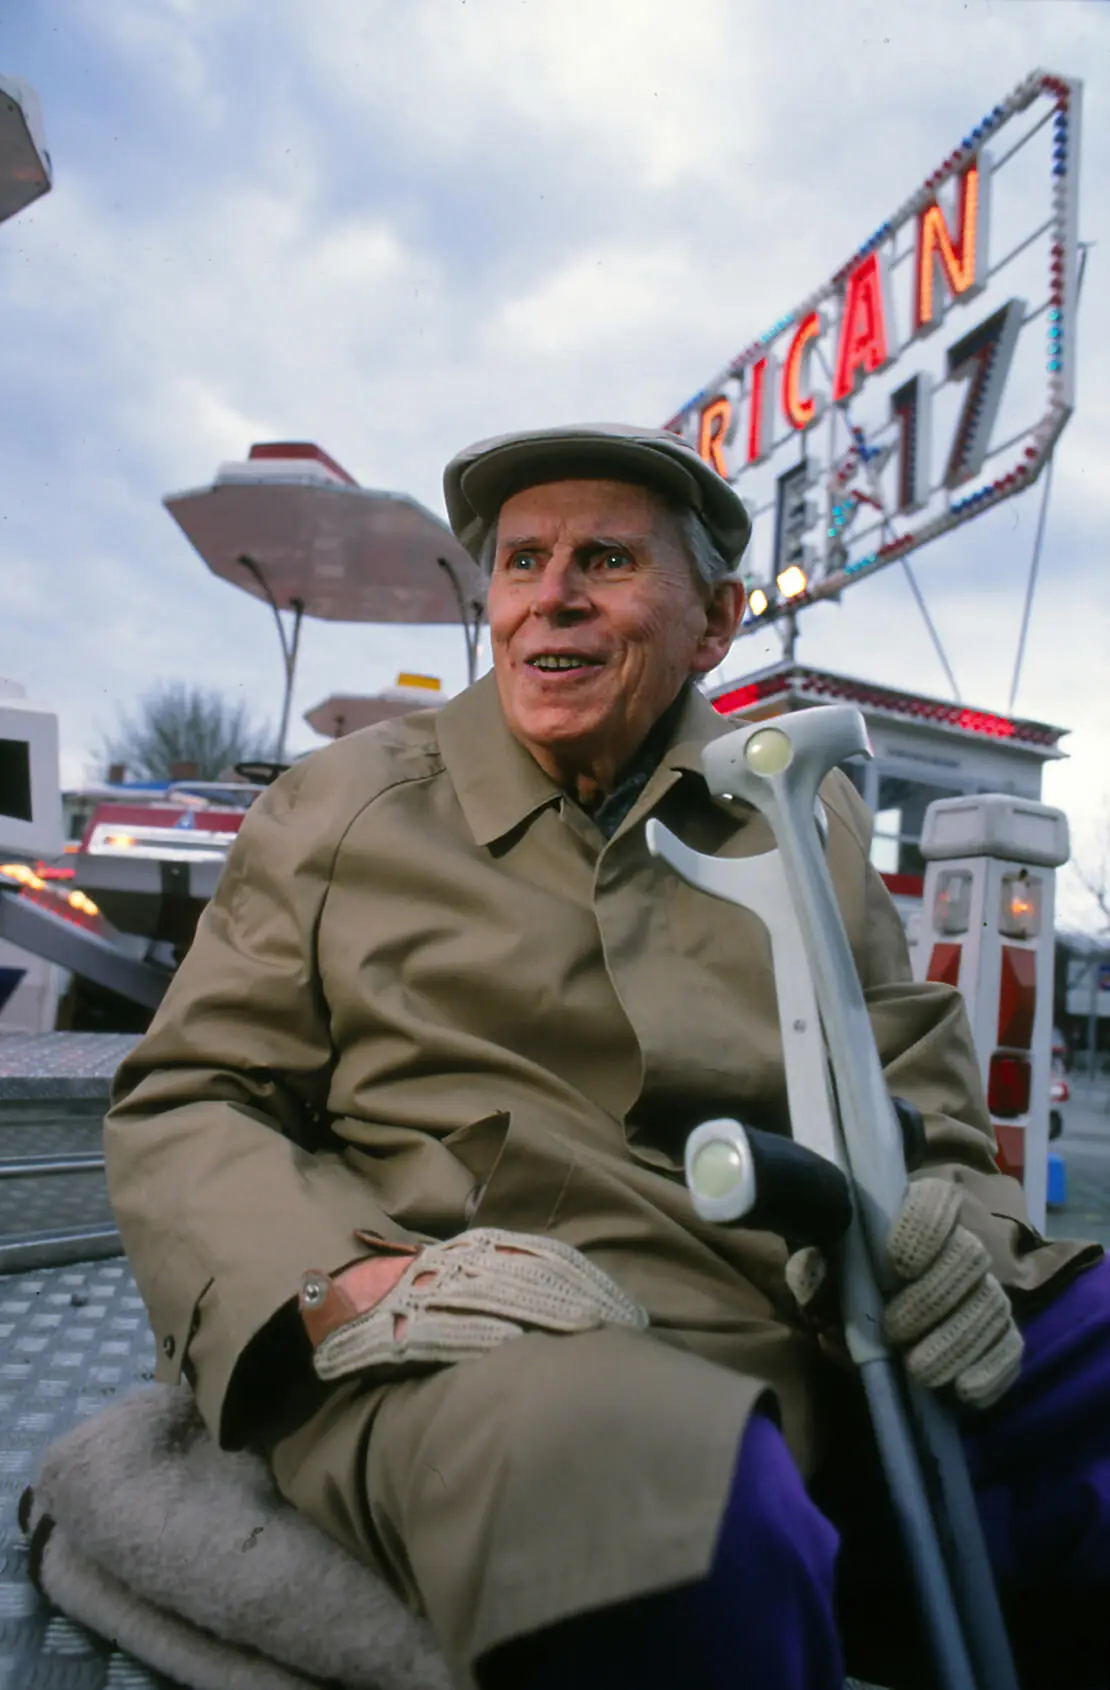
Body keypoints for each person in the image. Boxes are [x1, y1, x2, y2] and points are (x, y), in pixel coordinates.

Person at [104, 424, 1108, 1690]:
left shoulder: (797, 811)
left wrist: (947, 1220)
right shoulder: (339, 806)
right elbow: (190, 1098)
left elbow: (912, 1076)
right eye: (523, 561)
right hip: (484, 1346)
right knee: (642, 1496)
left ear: (715, 623)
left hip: (822, 1329)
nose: (551, 597)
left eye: (607, 558)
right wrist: (353, 1287)